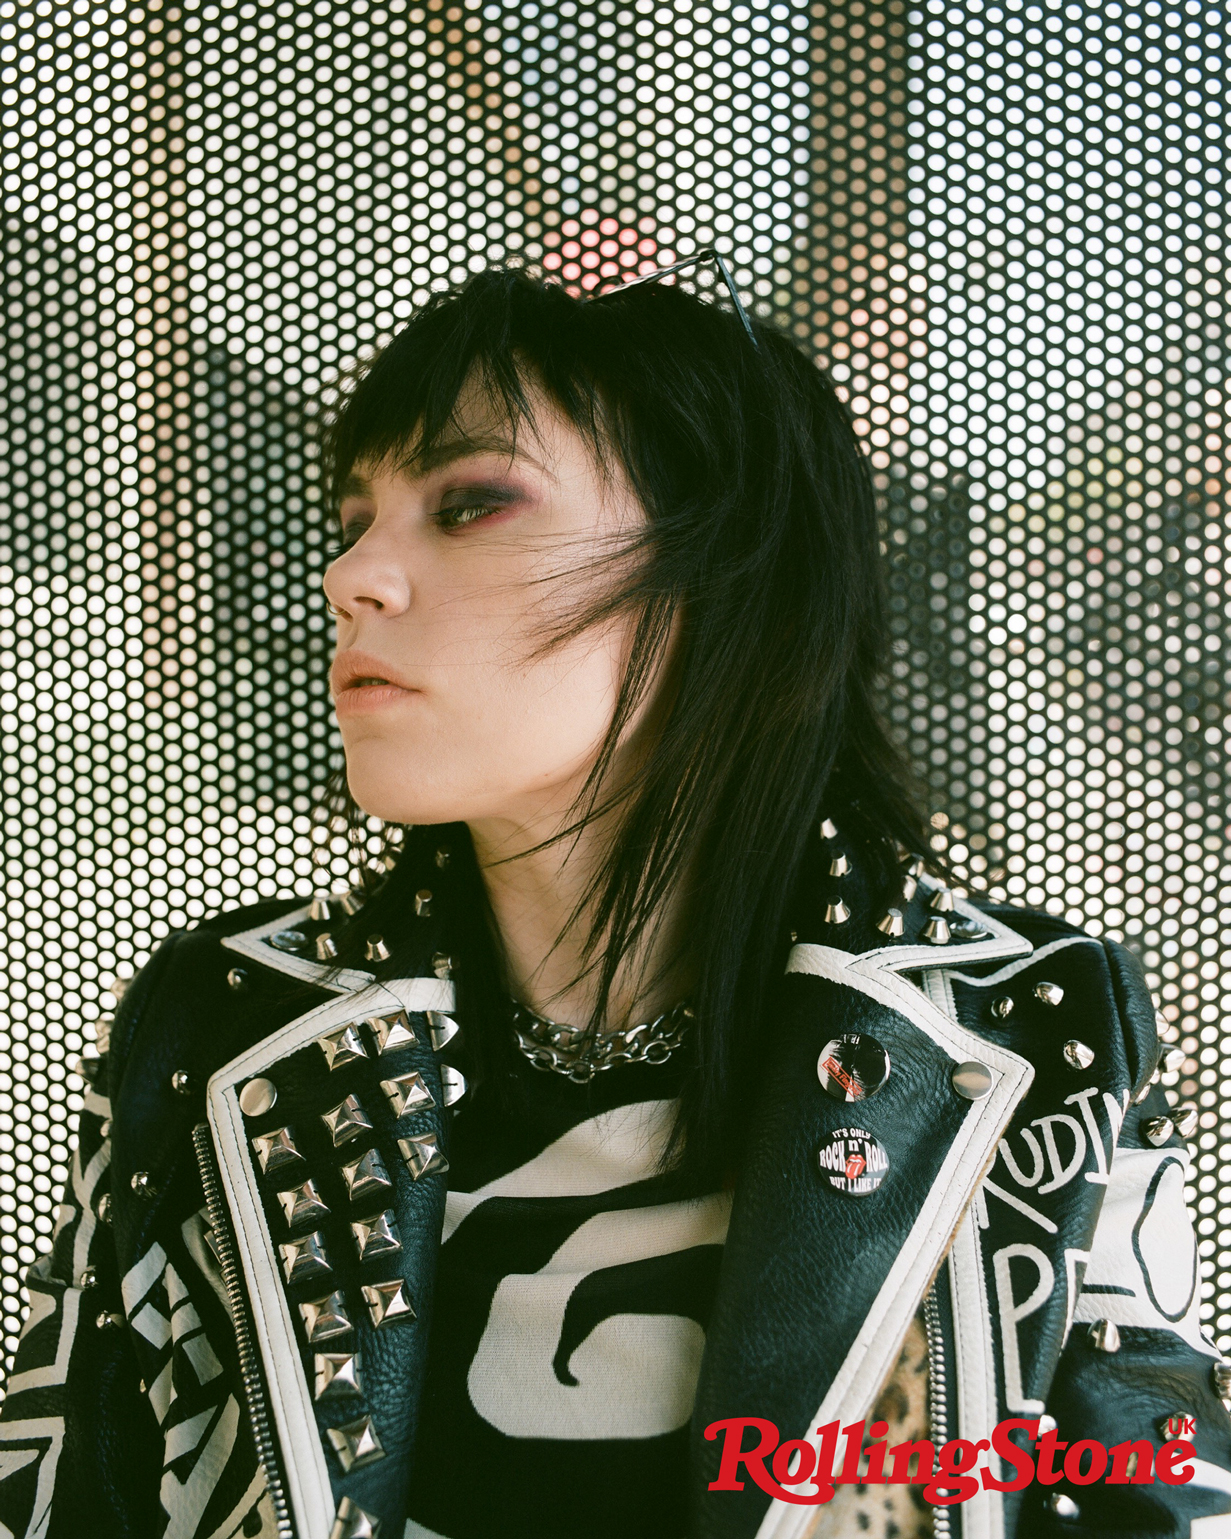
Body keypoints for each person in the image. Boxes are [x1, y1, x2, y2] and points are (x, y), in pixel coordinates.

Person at [0, 265, 1225, 1539]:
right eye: (354, 517)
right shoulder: (228, 1035)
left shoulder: (1025, 1036)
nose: (354, 574)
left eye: (468, 504)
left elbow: (1156, 1491)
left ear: (720, 582)